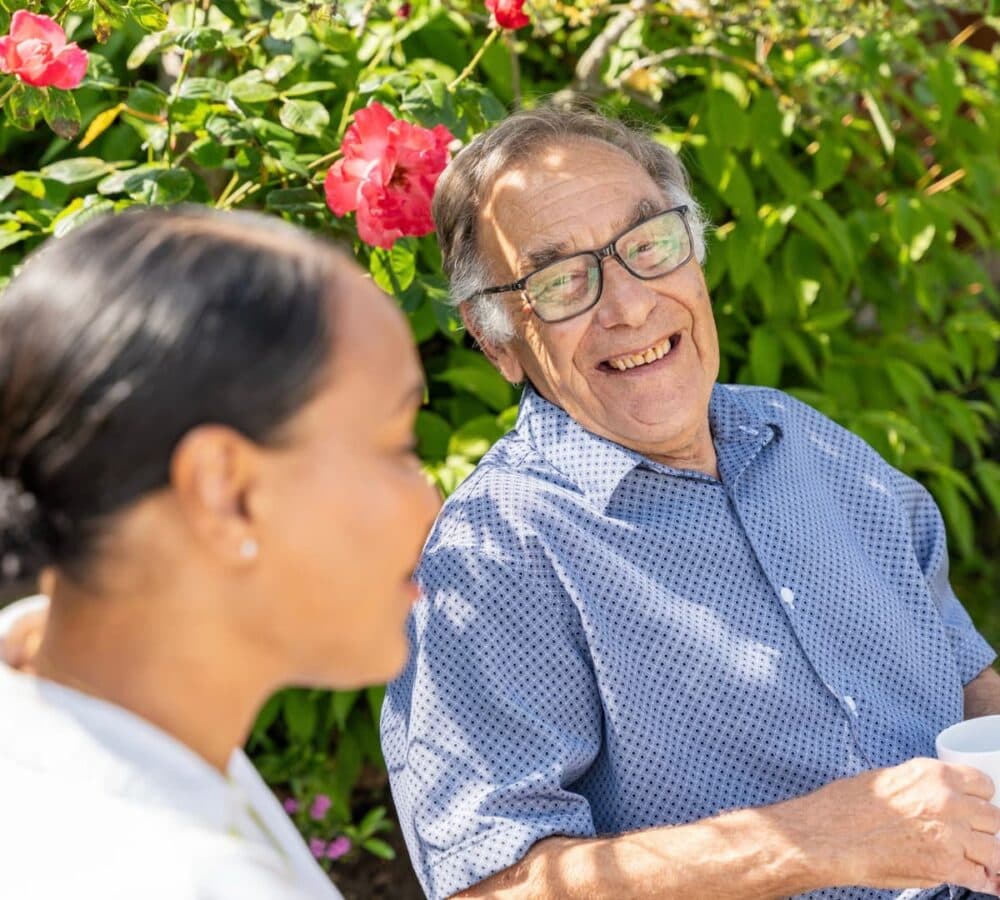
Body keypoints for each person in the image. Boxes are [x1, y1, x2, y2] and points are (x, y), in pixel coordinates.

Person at [380, 105, 1000, 900]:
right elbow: (494, 888)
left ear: (695, 254)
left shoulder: (803, 439)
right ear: (497, 340)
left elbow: (961, 669)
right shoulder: (498, 555)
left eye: (650, 246)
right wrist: (813, 843)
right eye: (562, 281)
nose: (630, 306)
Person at [0, 206, 440, 898]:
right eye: (396, 447)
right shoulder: (181, 877)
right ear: (226, 491)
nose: (431, 502)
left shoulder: (47, 685)